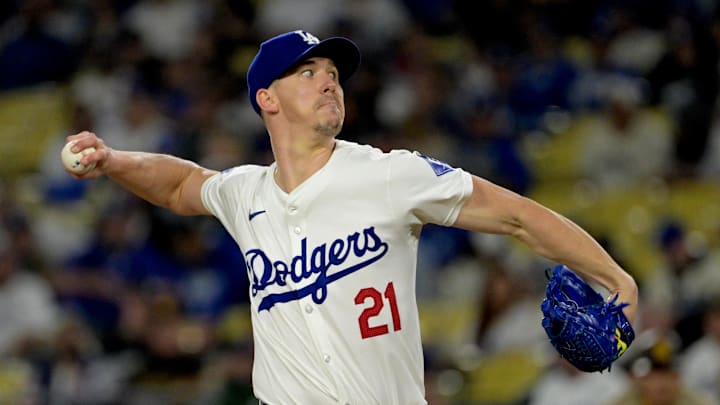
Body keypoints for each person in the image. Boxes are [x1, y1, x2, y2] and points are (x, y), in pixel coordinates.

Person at [62, 30, 639, 405]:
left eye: (333, 72)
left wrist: (617, 279)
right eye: (308, 72)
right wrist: (114, 161)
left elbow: (516, 217)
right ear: (267, 98)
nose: (330, 80)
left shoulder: (390, 173)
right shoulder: (247, 194)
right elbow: (184, 183)